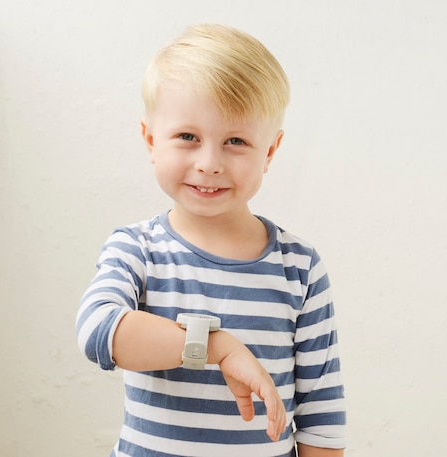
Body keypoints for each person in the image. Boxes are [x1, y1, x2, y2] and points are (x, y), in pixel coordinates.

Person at [76, 23, 346, 457]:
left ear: (270, 152)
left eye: (235, 141)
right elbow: (97, 331)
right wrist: (218, 347)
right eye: (188, 137)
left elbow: (321, 415)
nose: (209, 163)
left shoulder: (300, 268)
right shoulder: (138, 249)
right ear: (150, 139)